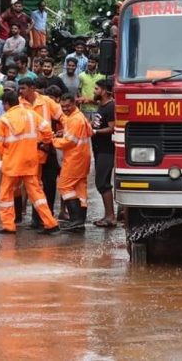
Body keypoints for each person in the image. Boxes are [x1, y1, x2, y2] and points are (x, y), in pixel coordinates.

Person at [0, 91, 60, 234]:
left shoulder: (4, 119)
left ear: (6, 104)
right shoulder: (31, 114)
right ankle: (51, 223)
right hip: (30, 161)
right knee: (37, 193)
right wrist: (45, 142)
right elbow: (47, 129)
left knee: (5, 194)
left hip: (12, 164)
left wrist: (6, 154)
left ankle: (8, 225)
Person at [18, 77, 64, 225]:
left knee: (49, 185)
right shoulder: (19, 104)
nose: (21, 91)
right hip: (29, 150)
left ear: (32, 88)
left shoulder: (46, 102)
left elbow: (62, 116)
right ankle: (36, 219)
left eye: (23, 88)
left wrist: (63, 129)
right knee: (34, 186)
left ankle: (48, 216)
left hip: (47, 148)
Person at [53, 93, 93, 232]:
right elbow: (89, 131)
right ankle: (79, 221)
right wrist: (65, 131)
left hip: (74, 159)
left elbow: (69, 142)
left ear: (74, 104)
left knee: (64, 186)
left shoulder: (74, 119)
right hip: (83, 157)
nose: (65, 109)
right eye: (62, 107)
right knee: (79, 189)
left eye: (68, 106)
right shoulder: (79, 116)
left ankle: (75, 220)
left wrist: (53, 140)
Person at [91, 79, 116, 227]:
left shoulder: (110, 107)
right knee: (101, 182)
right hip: (99, 149)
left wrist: (95, 131)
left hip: (107, 151)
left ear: (104, 91)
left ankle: (110, 216)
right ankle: (109, 215)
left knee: (103, 183)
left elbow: (112, 128)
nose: (94, 91)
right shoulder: (102, 106)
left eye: (96, 89)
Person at [78, 55, 105, 120]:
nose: (90, 64)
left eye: (92, 62)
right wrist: (82, 98)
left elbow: (104, 91)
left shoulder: (102, 76)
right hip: (85, 108)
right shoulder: (81, 75)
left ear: (97, 64)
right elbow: (79, 89)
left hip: (98, 108)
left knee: (96, 127)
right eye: (89, 62)